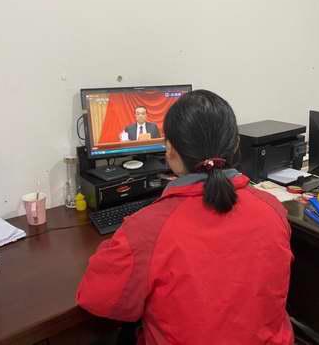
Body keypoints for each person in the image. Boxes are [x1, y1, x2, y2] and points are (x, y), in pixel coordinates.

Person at [77, 89, 294, 345]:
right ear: (236, 144)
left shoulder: (147, 229)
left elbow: (95, 297)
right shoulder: (273, 209)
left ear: (169, 149)